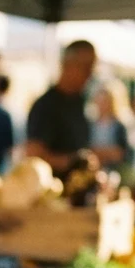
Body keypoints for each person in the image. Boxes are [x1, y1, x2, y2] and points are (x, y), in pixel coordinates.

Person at [25, 40, 97, 174]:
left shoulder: (80, 102)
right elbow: (34, 155)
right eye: (85, 67)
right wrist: (75, 162)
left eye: (92, 67)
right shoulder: (45, 106)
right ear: (67, 65)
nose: (90, 74)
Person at [90, 80, 135, 169]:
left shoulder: (122, 124)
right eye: (100, 101)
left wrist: (102, 153)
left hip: (116, 170)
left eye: (106, 101)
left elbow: (124, 152)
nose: (102, 105)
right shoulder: (91, 123)